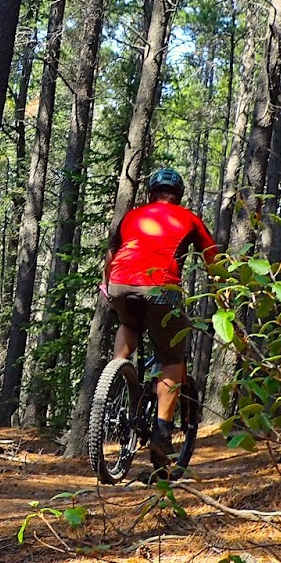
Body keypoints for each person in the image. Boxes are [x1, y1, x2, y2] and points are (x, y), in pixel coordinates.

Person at [101, 167, 218, 468]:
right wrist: (223, 291)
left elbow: (111, 254)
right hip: (161, 287)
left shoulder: (131, 216)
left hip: (119, 283)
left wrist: (108, 287)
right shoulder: (189, 218)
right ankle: (162, 431)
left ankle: (119, 374)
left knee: (129, 323)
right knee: (171, 358)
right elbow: (213, 259)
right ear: (178, 196)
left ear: (150, 194)